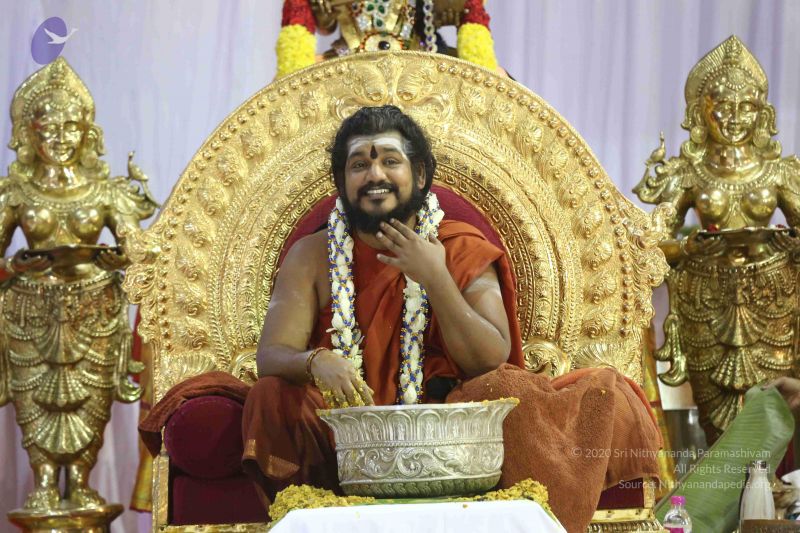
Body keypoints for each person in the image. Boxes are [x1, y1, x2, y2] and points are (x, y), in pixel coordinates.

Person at [242, 105, 661, 532]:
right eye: (359, 165)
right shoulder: (313, 256)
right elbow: (272, 355)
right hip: (345, 437)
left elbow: (490, 358)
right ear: (341, 181)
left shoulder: (459, 246)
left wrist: (436, 277)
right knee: (271, 395)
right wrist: (316, 361)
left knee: (505, 389)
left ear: (420, 174)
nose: (374, 175)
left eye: (390, 161)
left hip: (454, 439)